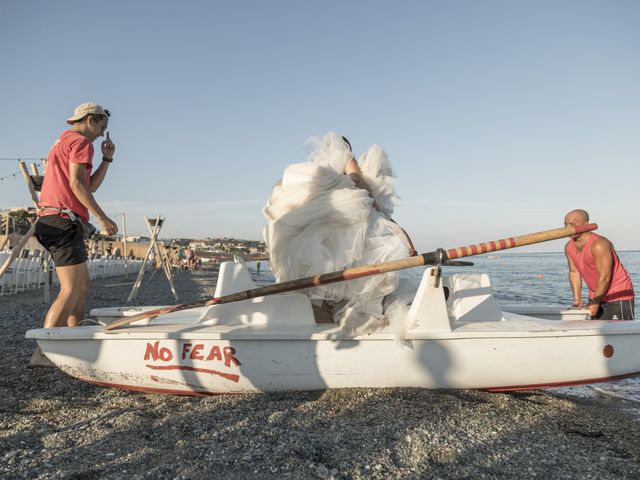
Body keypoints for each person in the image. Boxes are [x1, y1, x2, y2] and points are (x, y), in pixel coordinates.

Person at [263, 132, 419, 335]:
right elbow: (357, 180)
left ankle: (324, 308)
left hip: (320, 219)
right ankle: (349, 308)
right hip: (344, 210)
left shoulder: (318, 172)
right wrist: (376, 205)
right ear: (345, 148)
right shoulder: (347, 158)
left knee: (325, 258)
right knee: (360, 251)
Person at [30, 103, 118, 366]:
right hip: (62, 220)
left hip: (52, 220)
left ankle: (73, 341)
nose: (102, 134)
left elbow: (89, 185)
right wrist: (102, 217)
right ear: (90, 120)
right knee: (70, 290)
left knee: (82, 287)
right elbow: (78, 185)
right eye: (101, 127)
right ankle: (43, 351)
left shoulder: (63, 141)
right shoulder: (80, 142)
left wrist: (107, 159)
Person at [564, 209, 635, 320]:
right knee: (598, 333)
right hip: (595, 295)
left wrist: (596, 301)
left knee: (615, 334)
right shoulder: (569, 247)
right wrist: (577, 299)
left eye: (572, 224)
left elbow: (605, 276)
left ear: (586, 224)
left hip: (617, 294)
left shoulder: (599, 244)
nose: (568, 228)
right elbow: (574, 272)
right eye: (565, 224)